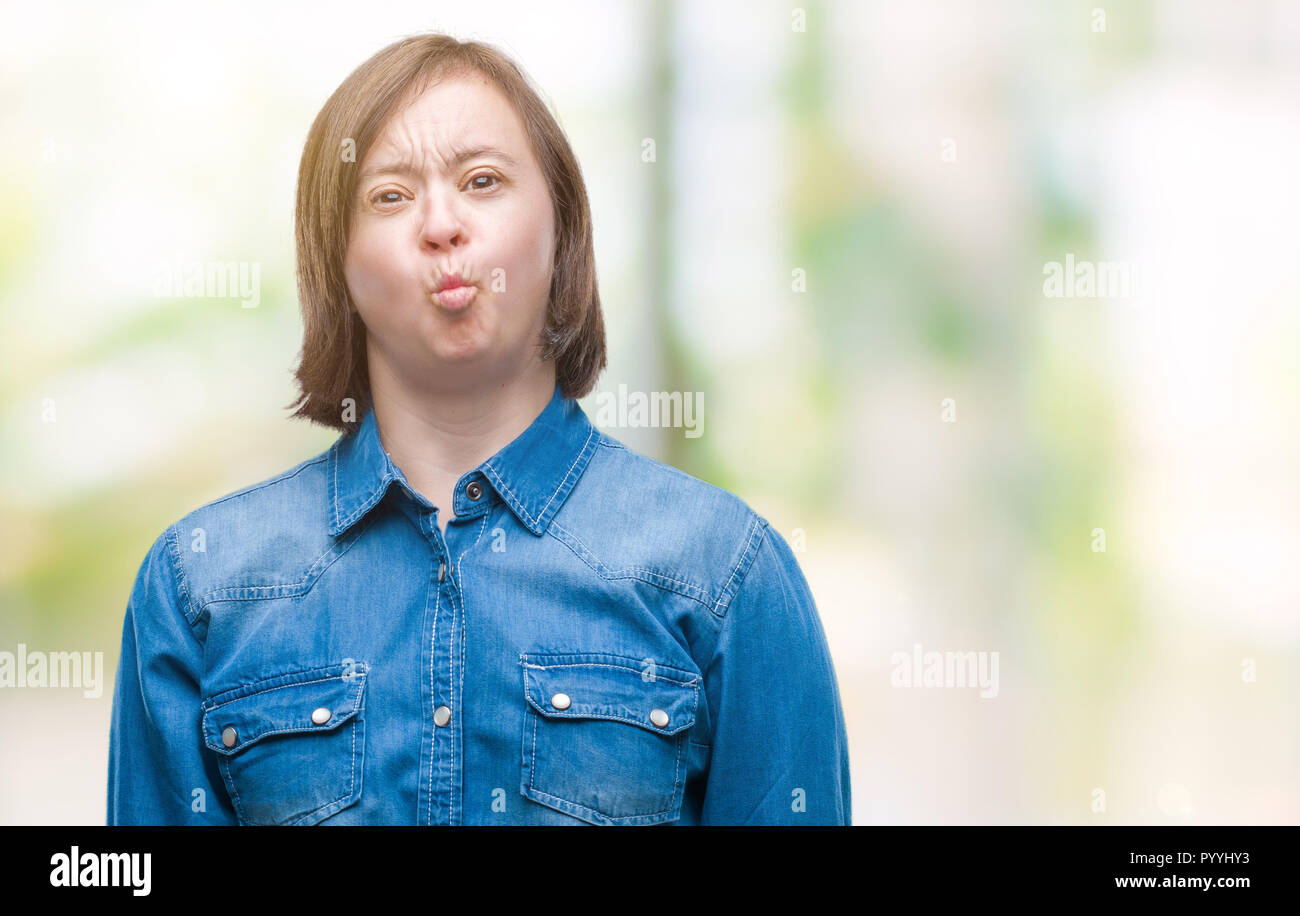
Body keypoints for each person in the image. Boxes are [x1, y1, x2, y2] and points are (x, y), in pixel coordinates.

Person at [107, 32, 851, 826]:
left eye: (483, 181)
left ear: (560, 230)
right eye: (389, 196)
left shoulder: (724, 572)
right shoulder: (200, 589)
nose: (441, 225)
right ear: (339, 263)